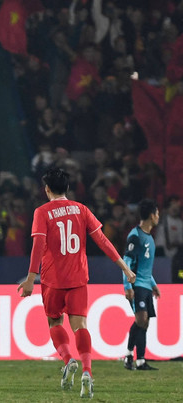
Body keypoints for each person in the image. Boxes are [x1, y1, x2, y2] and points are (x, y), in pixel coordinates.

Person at [17, 168, 136, 399]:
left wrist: (31, 278)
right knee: (80, 326)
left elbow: (38, 245)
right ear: (68, 188)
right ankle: (87, 372)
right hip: (78, 279)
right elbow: (101, 240)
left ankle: (67, 359)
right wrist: (124, 267)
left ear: (47, 189)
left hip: (53, 279)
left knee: (54, 322)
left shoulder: (42, 212)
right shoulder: (81, 209)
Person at [122, 199, 160, 371]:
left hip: (145, 285)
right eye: (157, 213)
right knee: (141, 319)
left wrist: (154, 284)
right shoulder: (135, 236)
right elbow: (126, 262)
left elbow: (145, 268)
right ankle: (129, 354)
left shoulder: (150, 239)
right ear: (152, 216)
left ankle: (140, 360)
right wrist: (127, 286)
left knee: (145, 322)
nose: (158, 216)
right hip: (136, 285)